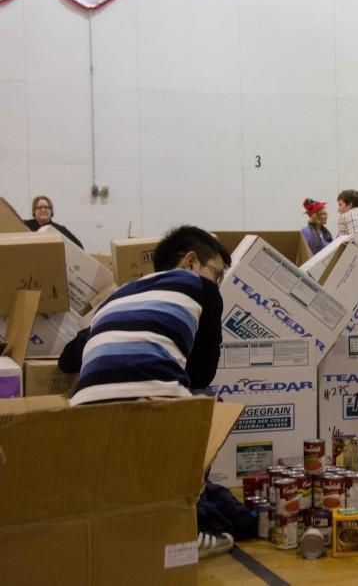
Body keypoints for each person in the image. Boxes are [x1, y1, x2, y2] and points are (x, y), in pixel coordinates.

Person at [58, 225, 247, 558]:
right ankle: (189, 530)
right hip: (156, 418)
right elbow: (202, 371)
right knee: (201, 393)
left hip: (85, 420)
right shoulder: (202, 289)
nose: (217, 283)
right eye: (217, 273)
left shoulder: (118, 296)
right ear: (190, 261)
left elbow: (66, 359)